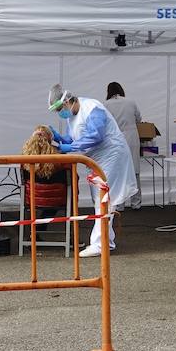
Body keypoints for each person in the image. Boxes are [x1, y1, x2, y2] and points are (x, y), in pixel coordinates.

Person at [46, 84, 138, 257]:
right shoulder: (71, 117)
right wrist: (59, 138)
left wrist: (68, 147)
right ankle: (105, 242)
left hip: (111, 155)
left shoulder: (92, 108)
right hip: (97, 160)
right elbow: (74, 138)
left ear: (67, 101)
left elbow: (95, 135)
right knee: (101, 199)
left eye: (60, 108)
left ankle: (99, 244)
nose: (60, 113)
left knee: (104, 200)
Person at [104, 82, 143, 209]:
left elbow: (104, 123)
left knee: (118, 171)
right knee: (134, 170)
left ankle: (119, 204)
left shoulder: (106, 104)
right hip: (132, 137)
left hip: (115, 139)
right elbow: (139, 119)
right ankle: (136, 203)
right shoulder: (131, 102)